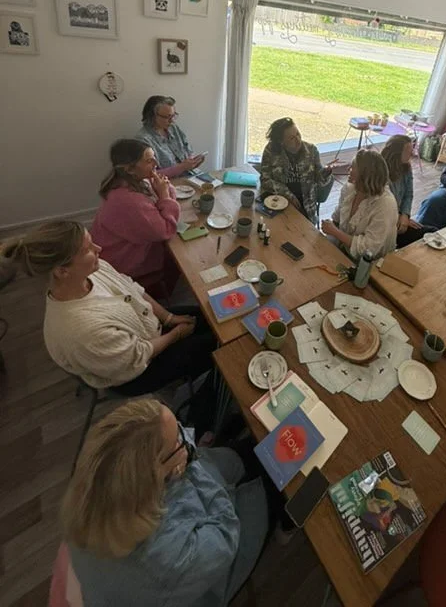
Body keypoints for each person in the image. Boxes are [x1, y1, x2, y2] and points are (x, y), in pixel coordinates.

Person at [1, 222, 218, 431]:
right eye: (88, 249)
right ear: (62, 271)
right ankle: (198, 414)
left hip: (147, 329)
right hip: (136, 371)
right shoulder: (81, 330)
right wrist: (177, 334)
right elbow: (138, 355)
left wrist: (168, 318)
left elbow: (133, 289)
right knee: (221, 346)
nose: (98, 249)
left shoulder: (93, 270)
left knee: (212, 317)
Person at [62, 398, 268, 607]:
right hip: (200, 575)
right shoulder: (167, 559)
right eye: (177, 442)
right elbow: (226, 532)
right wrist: (190, 461)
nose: (183, 440)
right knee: (267, 482)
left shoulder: (90, 495)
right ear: (154, 475)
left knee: (237, 453)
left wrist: (177, 459)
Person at [91, 138, 179, 288]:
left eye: (154, 157)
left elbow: (166, 195)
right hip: (122, 262)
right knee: (179, 255)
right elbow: (165, 231)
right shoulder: (128, 200)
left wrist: (164, 191)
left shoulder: (137, 180)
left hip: (121, 249)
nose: (156, 163)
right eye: (149, 161)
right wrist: (164, 195)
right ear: (130, 169)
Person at [321, 148, 398, 260]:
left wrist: (335, 232)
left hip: (371, 262)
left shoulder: (385, 205)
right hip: (344, 248)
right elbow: (337, 219)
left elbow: (368, 249)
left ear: (365, 175)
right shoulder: (350, 189)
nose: (348, 169)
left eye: (353, 167)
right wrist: (329, 227)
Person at [259, 117, 333, 223]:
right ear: (281, 142)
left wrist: (326, 173)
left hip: (305, 207)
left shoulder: (311, 150)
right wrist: (288, 194)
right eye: (292, 138)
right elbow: (265, 179)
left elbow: (320, 181)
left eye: (298, 134)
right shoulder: (271, 151)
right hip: (277, 202)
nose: (298, 140)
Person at [136, 96, 205, 178]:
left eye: (173, 115)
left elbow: (187, 150)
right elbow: (148, 175)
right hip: (168, 182)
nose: (172, 120)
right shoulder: (143, 139)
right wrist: (181, 167)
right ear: (152, 116)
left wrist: (193, 162)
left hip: (191, 175)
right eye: (167, 117)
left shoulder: (173, 128)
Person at [381, 134, 425, 247]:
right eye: (408, 150)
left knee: (431, 232)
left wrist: (405, 215)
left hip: (400, 217)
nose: (412, 153)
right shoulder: (380, 172)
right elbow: (380, 207)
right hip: (385, 223)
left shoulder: (406, 167)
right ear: (396, 153)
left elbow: (408, 194)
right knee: (425, 235)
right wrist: (399, 219)